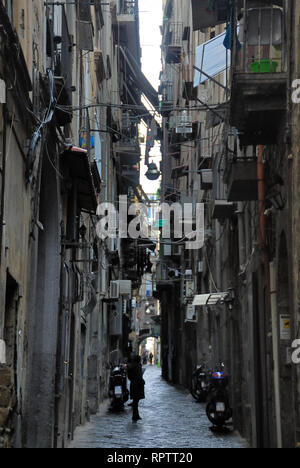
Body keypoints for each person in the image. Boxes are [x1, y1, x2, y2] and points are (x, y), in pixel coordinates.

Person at [127, 354, 145, 422]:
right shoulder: (137, 366)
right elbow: (139, 376)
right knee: (135, 401)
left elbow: (129, 376)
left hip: (134, 384)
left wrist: (133, 380)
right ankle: (135, 416)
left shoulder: (132, 366)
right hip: (137, 385)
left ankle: (136, 415)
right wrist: (142, 381)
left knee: (135, 401)